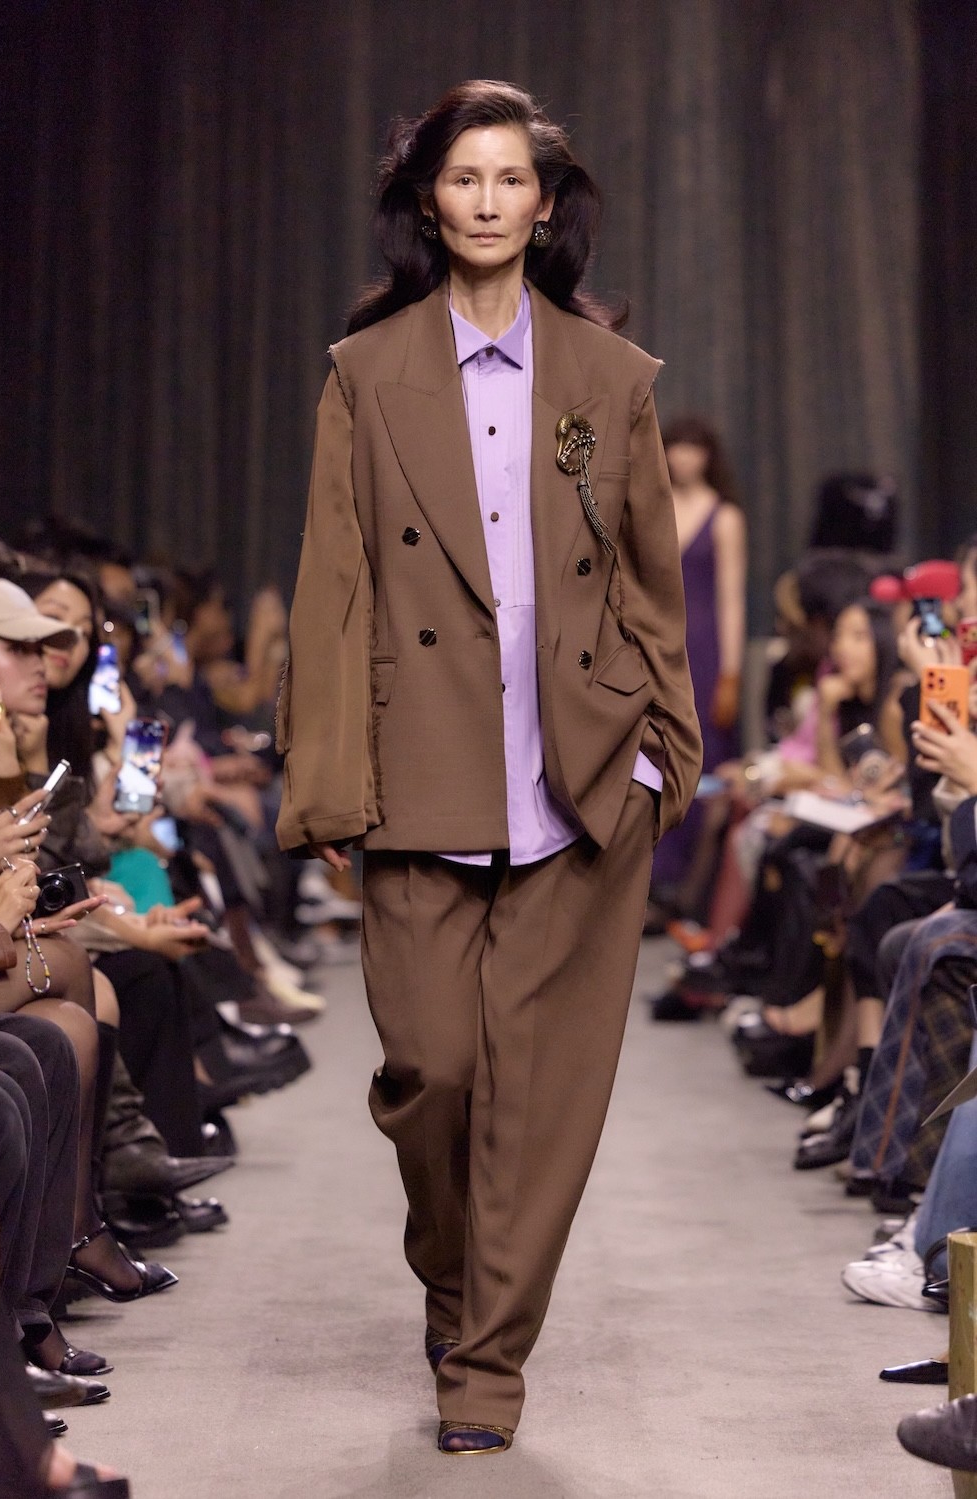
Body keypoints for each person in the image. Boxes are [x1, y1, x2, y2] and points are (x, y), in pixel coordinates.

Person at [277, 79, 701, 1453]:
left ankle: (485, 1363)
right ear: (426, 200)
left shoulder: (608, 378)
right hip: (421, 765)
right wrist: (326, 775)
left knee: (540, 1097)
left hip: (579, 774)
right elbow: (333, 582)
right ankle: (455, 1283)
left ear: (546, 203)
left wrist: (663, 754)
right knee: (434, 1072)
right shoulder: (367, 373)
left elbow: (649, 581)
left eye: (512, 178)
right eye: (463, 177)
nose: (487, 201)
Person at [649, 416, 746, 913]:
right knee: (655, 756)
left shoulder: (724, 517)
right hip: (656, 645)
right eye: (676, 447)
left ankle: (695, 889)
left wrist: (731, 673)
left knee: (704, 758)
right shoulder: (652, 505)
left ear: (709, 456)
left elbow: (732, 599)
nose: (684, 457)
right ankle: (654, 881)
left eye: (694, 448)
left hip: (705, 653)